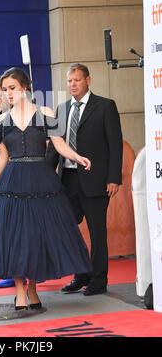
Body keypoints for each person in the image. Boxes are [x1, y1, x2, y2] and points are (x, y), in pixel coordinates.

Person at [0, 67, 92, 311]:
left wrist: (78, 157)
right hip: (12, 182)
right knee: (15, 238)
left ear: (25, 87)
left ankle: (32, 289)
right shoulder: (0, 120)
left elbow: (59, 145)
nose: (7, 93)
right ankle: (20, 292)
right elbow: (2, 157)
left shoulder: (45, 113)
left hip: (41, 181)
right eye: (4, 90)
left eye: (12, 88)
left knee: (36, 238)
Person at [46, 63, 123, 296]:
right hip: (67, 180)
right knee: (68, 229)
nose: (72, 85)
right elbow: (54, 148)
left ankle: (98, 280)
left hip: (96, 180)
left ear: (88, 80)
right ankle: (81, 275)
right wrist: (46, 176)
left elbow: (115, 145)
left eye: (77, 80)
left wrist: (114, 178)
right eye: (69, 81)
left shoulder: (105, 106)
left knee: (97, 231)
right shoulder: (61, 108)